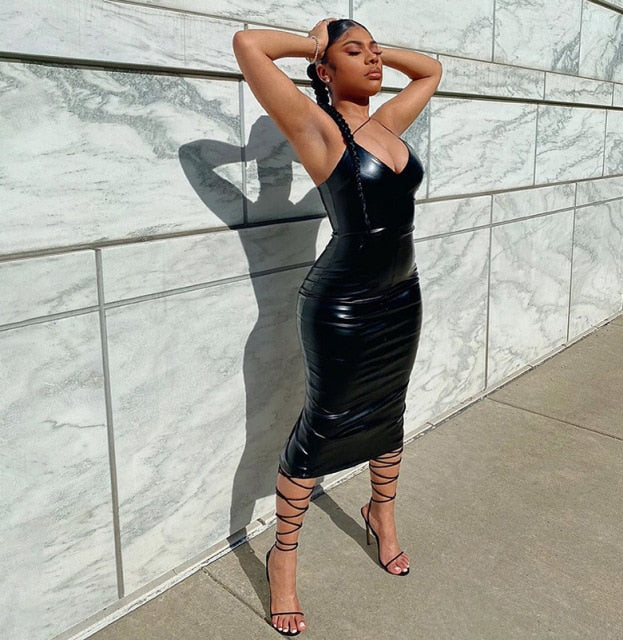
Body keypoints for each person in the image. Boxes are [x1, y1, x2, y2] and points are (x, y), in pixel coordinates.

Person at [233, 18, 442, 636]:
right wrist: (319, 43)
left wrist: (366, 47)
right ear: (324, 70)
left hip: (401, 296)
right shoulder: (319, 130)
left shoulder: (387, 124)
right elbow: (249, 45)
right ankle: (283, 558)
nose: (375, 61)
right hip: (343, 305)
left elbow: (430, 69)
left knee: (390, 409)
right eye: (357, 53)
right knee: (323, 426)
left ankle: (382, 516)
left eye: (376, 52)